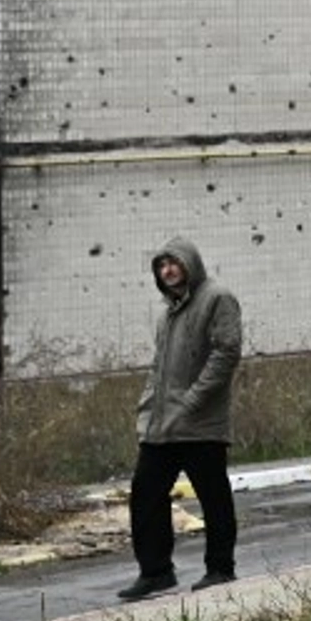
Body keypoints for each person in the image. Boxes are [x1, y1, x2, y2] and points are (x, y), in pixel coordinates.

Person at [120, 237, 244, 598]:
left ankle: (220, 568)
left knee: (213, 496)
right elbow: (158, 366)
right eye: (161, 266)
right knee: (145, 494)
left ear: (191, 263)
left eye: (174, 263)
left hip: (201, 423)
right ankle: (156, 571)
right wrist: (147, 405)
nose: (168, 270)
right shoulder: (168, 312)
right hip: (163, 425)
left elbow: (226, 353)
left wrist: (192, 402)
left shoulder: (217, 297)